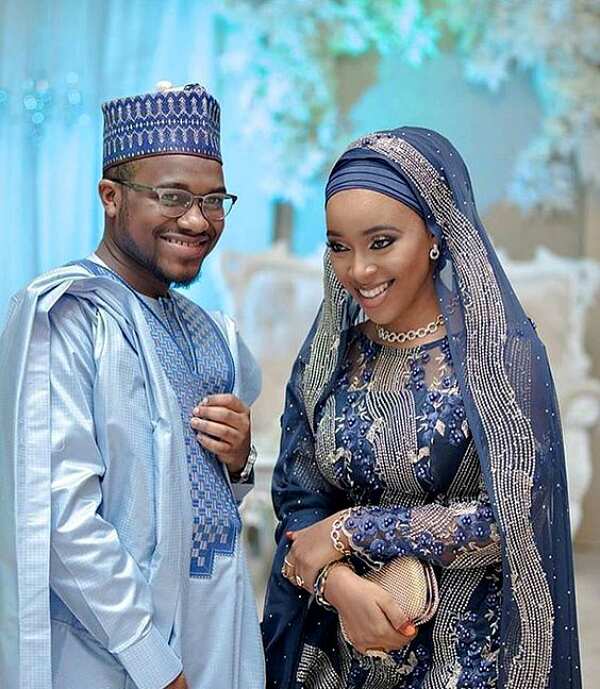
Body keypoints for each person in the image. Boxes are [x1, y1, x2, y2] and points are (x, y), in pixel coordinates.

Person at [261, 127, 582, 689]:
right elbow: (299, 499)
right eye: (339, 246)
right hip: (342, 658)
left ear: (436, 232)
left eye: (381, 242)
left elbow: (517, 519)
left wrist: (353, 530)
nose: (358, 270)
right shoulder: (330, 358)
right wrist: (340, 586)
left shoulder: (500, 360)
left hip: (473, 662)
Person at [0, 83, 265, 689]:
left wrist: (239, 460)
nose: (198, 221)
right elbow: (61, 519)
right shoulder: (67, 317)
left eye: (214, 199)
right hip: (108, 654)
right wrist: (153, 662)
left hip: (216, 637)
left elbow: (204, 509)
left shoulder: (214, 333)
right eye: (172, 196)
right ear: (111, 197)